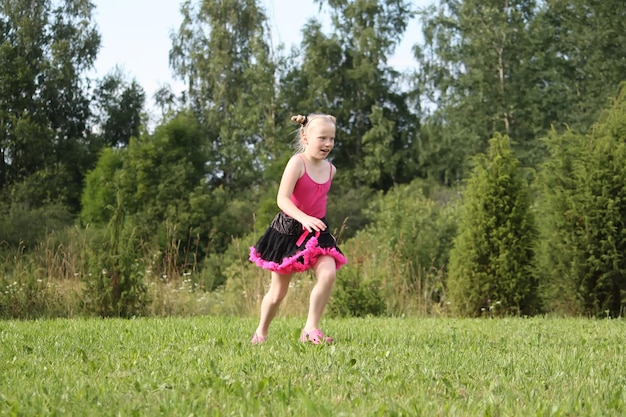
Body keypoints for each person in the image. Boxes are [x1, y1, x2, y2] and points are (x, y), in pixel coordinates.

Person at [249, 113, 348, 345]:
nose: (328, 144)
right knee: (278, 293)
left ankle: (311, 329)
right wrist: (303, 217)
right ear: (305, 137)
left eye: (332, 139)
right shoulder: (297, 163)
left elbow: (317, 199)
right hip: (288, 231)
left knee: (328, 273)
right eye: (322, 138)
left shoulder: (331, 170)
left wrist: (314, 221)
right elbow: (282, 199)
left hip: (316, 232)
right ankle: (261, 332)